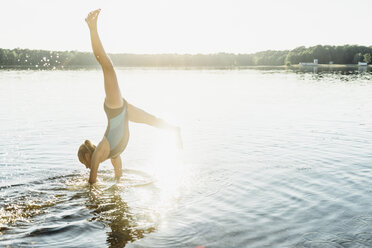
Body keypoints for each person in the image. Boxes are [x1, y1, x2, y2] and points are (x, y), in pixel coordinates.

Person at [78, 9, 182, 184]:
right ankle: (174, 130)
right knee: (152, 120)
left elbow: (91, 185)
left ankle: (92, 28)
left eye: (84, 163)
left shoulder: (97, 155)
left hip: (115, 110)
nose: (87, 167)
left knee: (107, 66)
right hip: (123, 114)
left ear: (88, 155)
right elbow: (119, 180)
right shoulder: (112, 155)